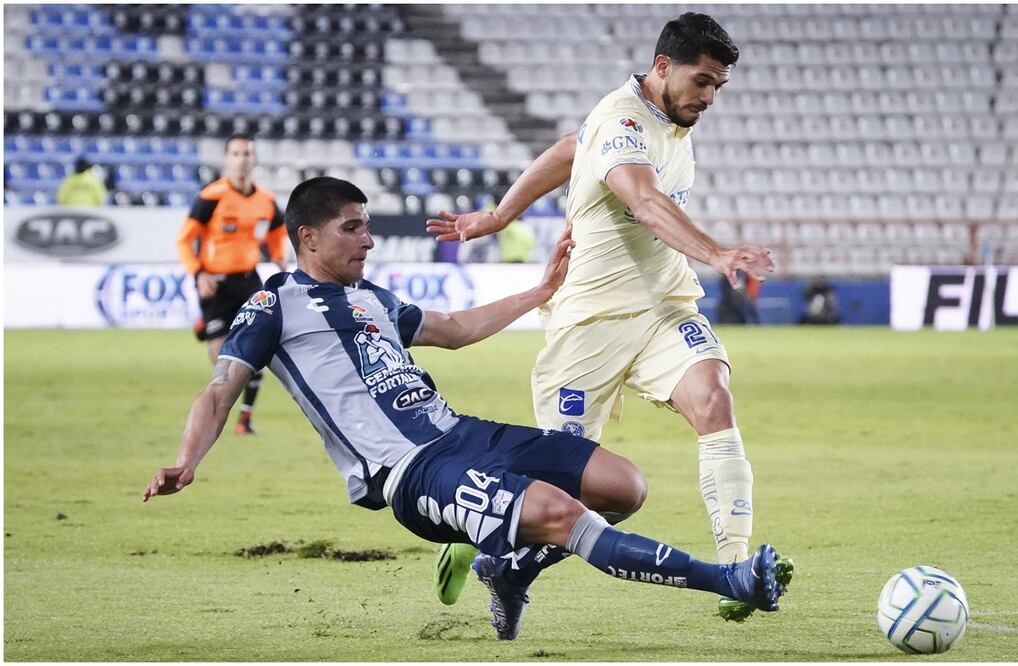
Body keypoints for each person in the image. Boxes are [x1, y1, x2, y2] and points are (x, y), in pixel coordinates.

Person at [142, 177, 785, 641]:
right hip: (411, 473)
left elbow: (452, 329)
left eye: (366, 225)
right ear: (308, 237)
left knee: (624, 486)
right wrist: (186, 460)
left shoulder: (372, 299)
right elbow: (220, 389)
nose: (369, 239)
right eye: (352, 228)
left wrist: (541, 291)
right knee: (561, 514)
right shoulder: (273, 305)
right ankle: (728, 580)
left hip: (463, 434)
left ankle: (507, 571)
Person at [428, 12, 789, 622]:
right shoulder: (622, 120)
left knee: (714, 397)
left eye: (718, 86)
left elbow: (569, 149)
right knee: (584, 492)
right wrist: (717, 253)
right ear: (663, 67)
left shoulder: (668, 120)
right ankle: (493, 547)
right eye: (702, 81)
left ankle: (737, 568)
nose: (709, 97)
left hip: (662, 309)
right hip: (588, 327)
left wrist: (500, 215)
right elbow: (644, 202)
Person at [176, 133, 287, 435]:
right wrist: (198, 273)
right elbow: (184, 240)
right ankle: (216, 411)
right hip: (216, 284)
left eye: (247, 153)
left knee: (259, 347)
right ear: (227, 159)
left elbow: (277, 231)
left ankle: (244, 419)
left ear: (255, 159)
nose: (242, 160)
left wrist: (278, 255)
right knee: (222, 356)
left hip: (249, 280)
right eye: (236, 154)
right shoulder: (211, 197)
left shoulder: (265, 200)